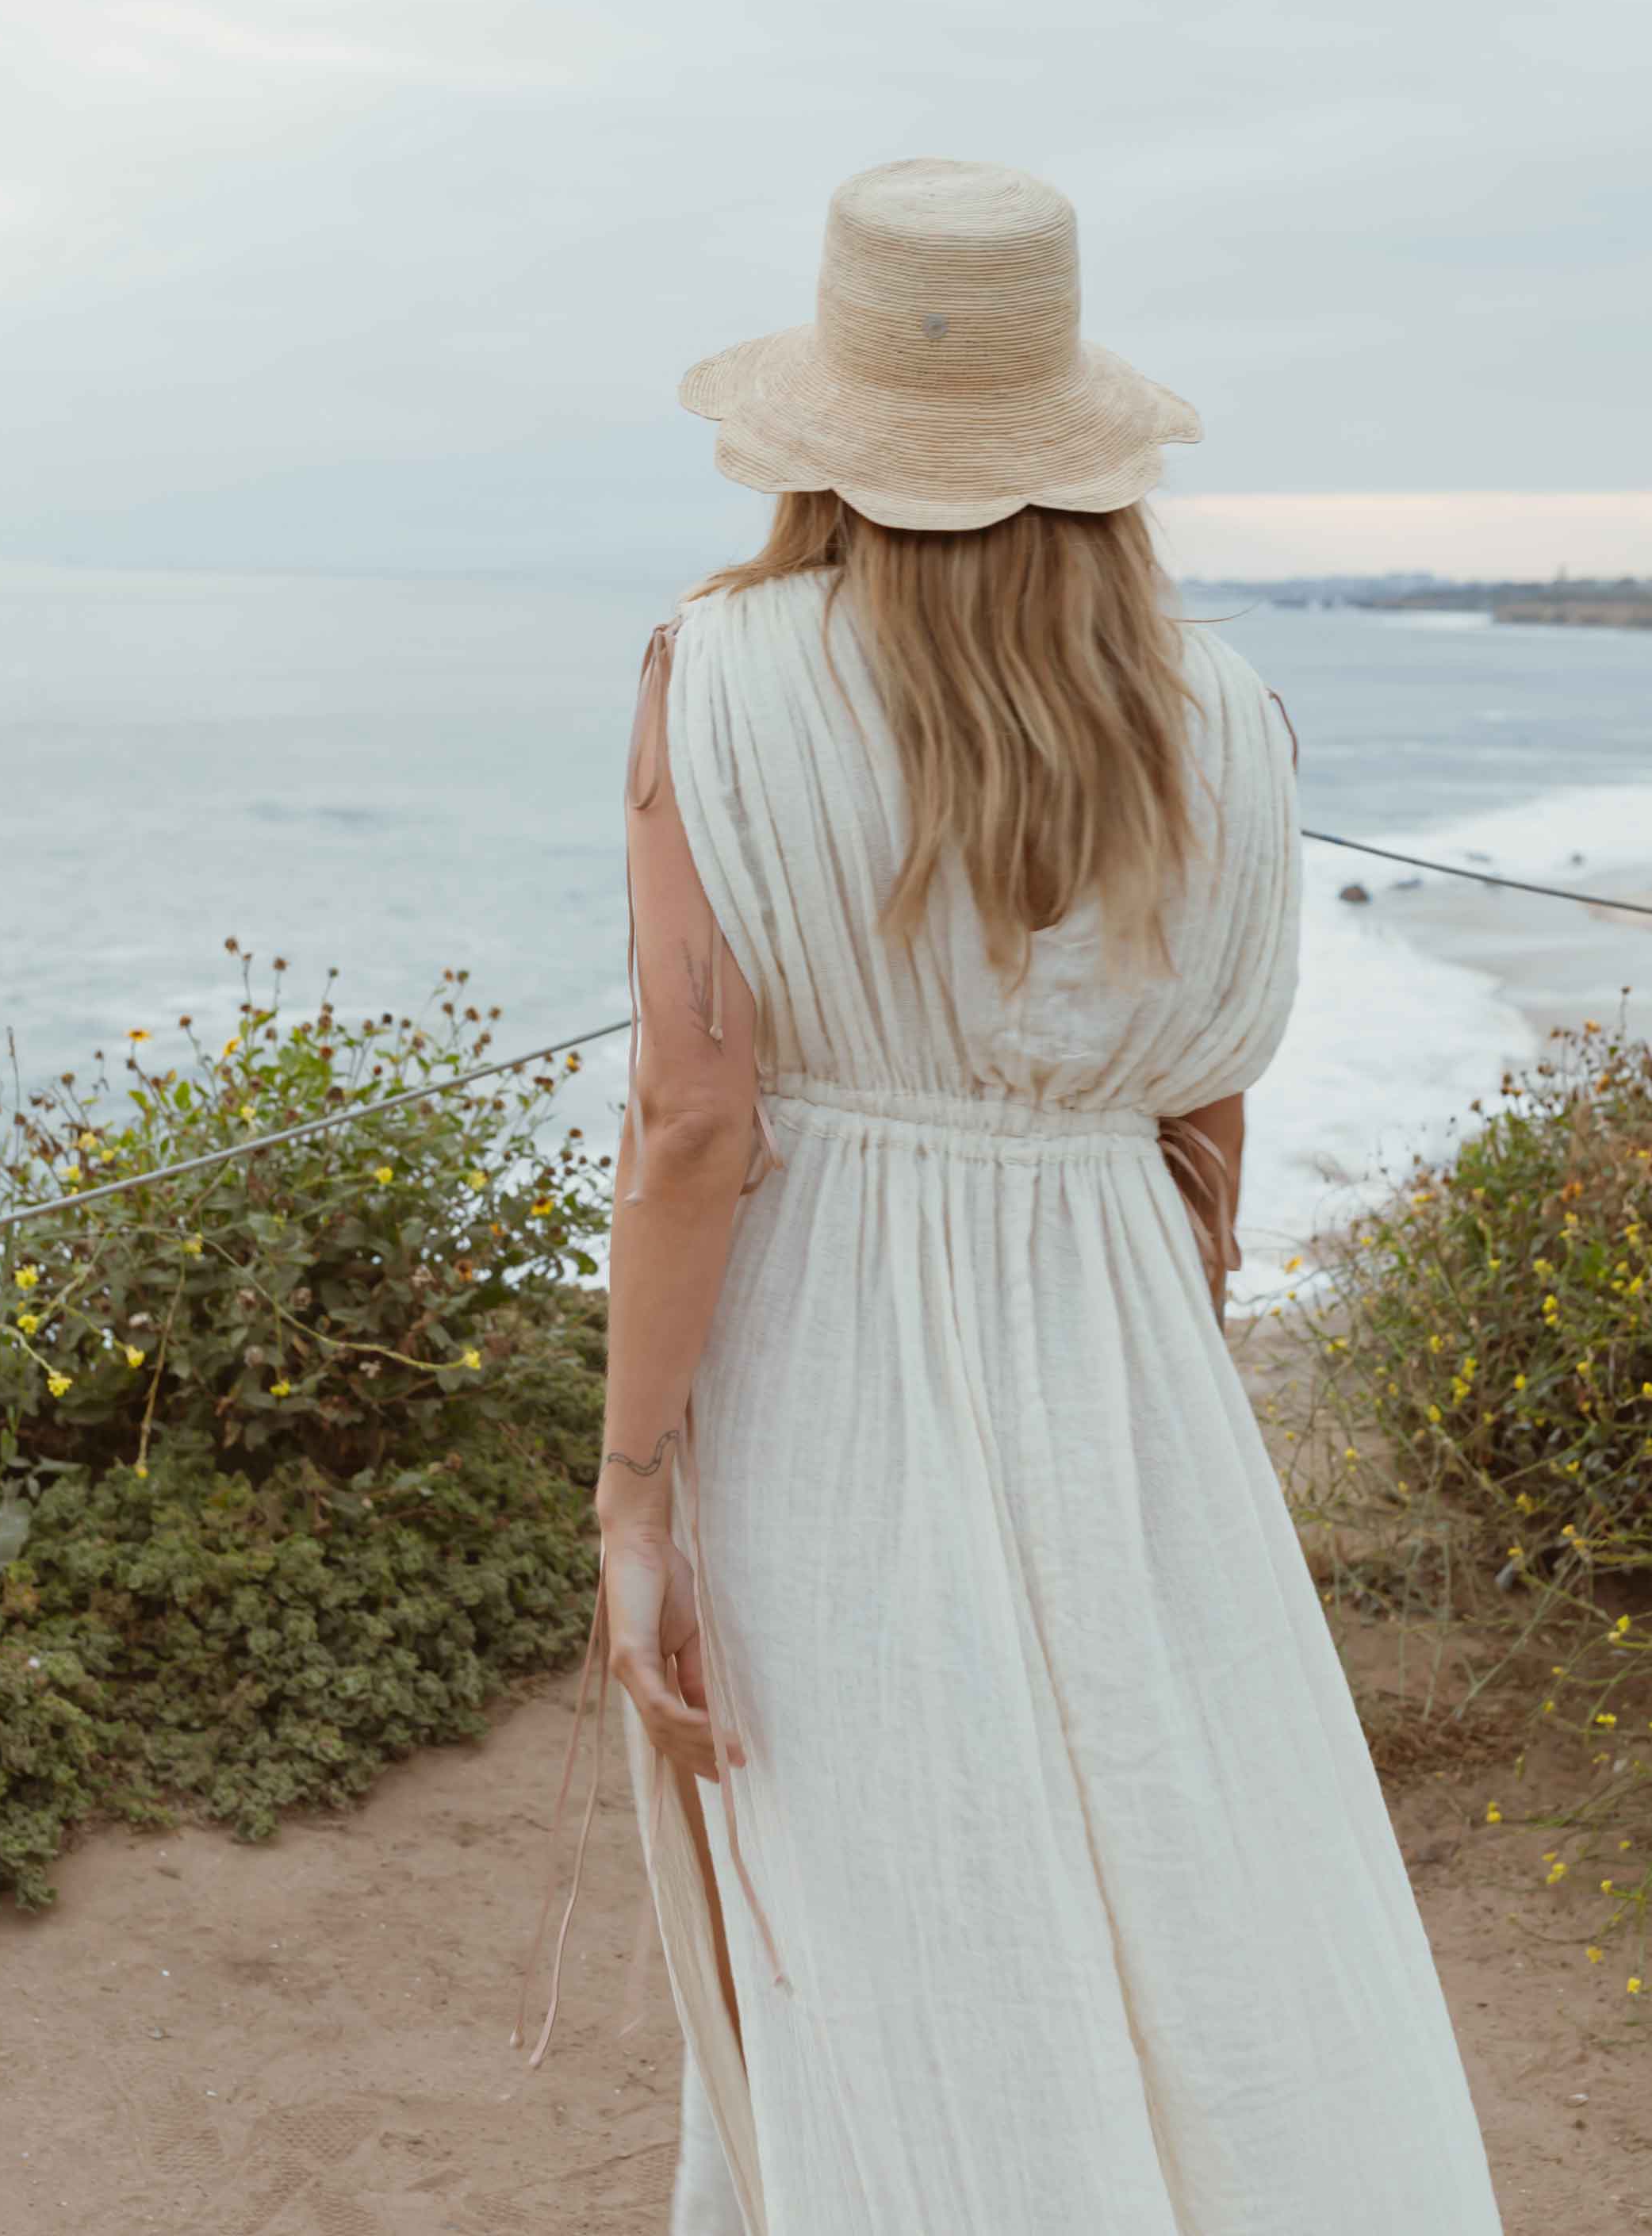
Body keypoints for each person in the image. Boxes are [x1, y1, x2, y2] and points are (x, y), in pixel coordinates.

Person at [517, 157, 1505, 2234]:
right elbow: (1205, 1113)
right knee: (1188, 1870)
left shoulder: (716, 669)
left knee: (879, 1904)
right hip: (1120, 1322)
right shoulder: (1215, 710)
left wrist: (628, 1484)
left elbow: (698, 1123)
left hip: (827, 1357)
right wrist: (1150, 1357)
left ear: (826, 428)